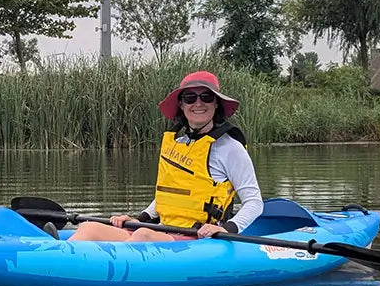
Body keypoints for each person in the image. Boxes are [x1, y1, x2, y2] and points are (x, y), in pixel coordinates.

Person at [69, 71, 263, 242]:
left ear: (216, 104)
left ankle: (102, 273)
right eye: (189, 98)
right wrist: (141, 218)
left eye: (206, 97)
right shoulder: (178, 144)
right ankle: (59, 264)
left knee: (143, 235)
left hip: (198, 238)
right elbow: (170, 194)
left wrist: (226, 228)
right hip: (164, 230)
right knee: (89, 227)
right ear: (181, 104)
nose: (198, 103)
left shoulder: (230, 148)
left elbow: (254, 202)